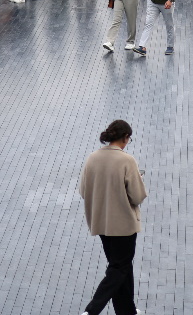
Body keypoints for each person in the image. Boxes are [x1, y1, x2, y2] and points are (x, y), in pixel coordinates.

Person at [78, 119, 147, 315]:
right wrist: (139, 181)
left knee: (120, 267)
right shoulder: (127, 161)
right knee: (119, 268)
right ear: (125, 138)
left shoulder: (92, 158)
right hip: (123, 225)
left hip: (101, 223)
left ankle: (127, 311)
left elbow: (83, 190)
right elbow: (137, 195)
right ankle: (91, 311)